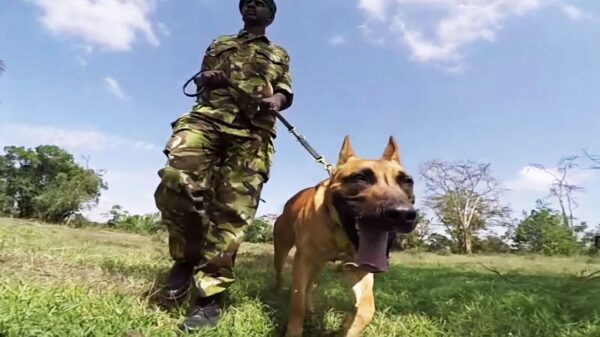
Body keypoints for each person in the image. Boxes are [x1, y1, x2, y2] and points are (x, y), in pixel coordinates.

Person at [153, 0, 293, 332]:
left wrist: (275, 101)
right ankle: (186, 259)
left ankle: (209, 297)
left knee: (233, 212)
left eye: (260, 4)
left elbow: (286, 92)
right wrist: (207, 77)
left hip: (253, 132)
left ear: (270, 16)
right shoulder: (219, 43)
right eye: (247, 3)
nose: (251, 7)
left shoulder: (280, 54)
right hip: (207, 121)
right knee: (176, 178)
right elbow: (200, 81)